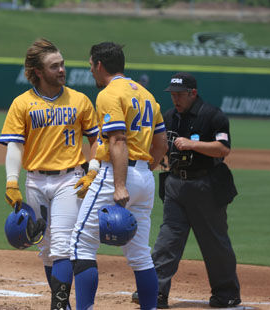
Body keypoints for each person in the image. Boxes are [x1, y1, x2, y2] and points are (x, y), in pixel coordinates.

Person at [0, 38, 99, 310]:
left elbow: (97, 140)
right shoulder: (22, 103)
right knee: (45, 250)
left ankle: (58, 306)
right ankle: (63, 305)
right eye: (54, 66)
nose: (62, 70)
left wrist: (93, 169)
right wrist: (11, 181)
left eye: (62, 64)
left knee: (62, 247)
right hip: (35, 182)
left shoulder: (79, 100)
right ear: (39, 72)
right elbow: (15, 145)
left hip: (70, 179)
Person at [70, 42, 168, 310]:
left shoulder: (108, 95)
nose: (90, 70)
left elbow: (117, 140)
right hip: (145, 177)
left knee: (80, 245)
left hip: (117, 174)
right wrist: (145, 172)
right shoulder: (147, 95)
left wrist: (121, 184)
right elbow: (161, 145)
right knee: (140, 255)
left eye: (91, 65)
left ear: (100, 65)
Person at [132, 72, 241, 308]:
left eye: (180, 94)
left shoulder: (212, 116)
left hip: (206, 186)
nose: (175, 99)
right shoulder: (169, 117)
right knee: (167, 240)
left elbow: (223, 149)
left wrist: (192, 144)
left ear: (193, 93)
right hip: (175, 186)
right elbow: (159, 145)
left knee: (214, 243)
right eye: (172, 94)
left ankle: (226, 294)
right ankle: (155, 292)